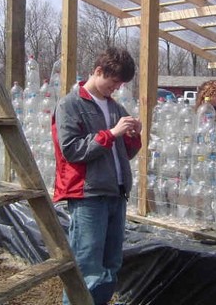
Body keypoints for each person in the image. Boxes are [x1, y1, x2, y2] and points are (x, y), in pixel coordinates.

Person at [52, 47, 142, 305]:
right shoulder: (70, 104)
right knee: (88, 266)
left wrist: (133, 136)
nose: (116, 87)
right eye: (114, 81)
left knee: (110, 265)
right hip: (88, 194)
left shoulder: (115, 107)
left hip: (116, 192)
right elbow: (71, 150)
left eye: (120, 84)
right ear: (98, 71)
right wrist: (112, 134)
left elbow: (124, 154)